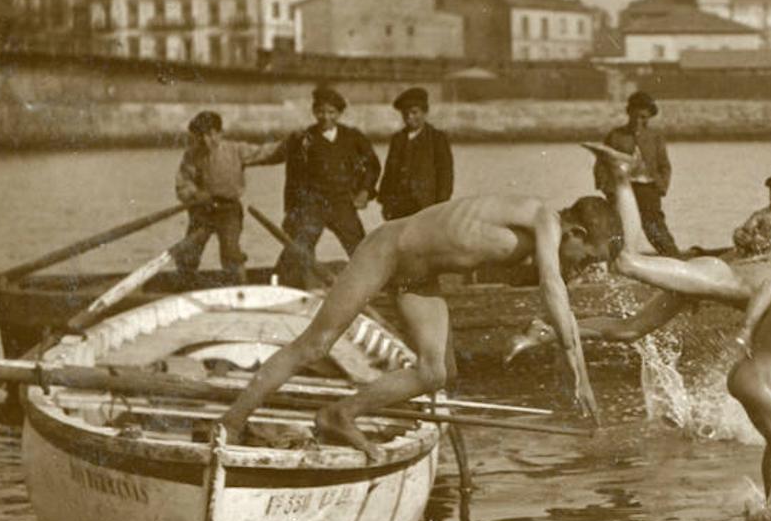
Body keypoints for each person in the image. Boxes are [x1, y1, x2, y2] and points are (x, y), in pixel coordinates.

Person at [517, 144, 771, 509]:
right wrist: (746, 329)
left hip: (712, 284)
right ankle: (622, 178)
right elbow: (770, 289)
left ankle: (548, 329)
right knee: (624, 262)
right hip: (712, 278)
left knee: (631, 329)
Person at [218, 193, 623, 458]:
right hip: (388, 250)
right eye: (586, 256)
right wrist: (580, 376)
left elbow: (542, 288)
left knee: (436, 373)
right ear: (576, 232)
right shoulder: (543, 221)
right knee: (316, 345)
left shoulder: (536, 238)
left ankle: (338, 415)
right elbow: (552, 289)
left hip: (419, 279)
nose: (582, 266)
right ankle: (230, 424)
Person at [273, 86, 382, 288]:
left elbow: (372, 166)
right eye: (321, 111)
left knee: (359, 246)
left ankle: (373, 287)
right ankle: (282, 286)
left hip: (342, 203)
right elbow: (293, 178)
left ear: (339, 114)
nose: (325, 117)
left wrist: (365, 191)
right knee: (299, 246)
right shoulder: (304, 139)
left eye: (331, 112)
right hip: (313, 205)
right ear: (314, 112)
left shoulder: (353, 137)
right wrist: (291, 211)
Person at [173, 110, 285, 282]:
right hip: (201, 211)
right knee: (189, 251)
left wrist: (292, 144)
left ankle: (240, 285)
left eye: (210, 135)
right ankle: (185, 284)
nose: (205, 140)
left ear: (220, 133)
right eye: (200, 136)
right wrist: (195, 194)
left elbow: (266, 152)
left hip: (229, 211)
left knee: (231, 251)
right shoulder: (191, 156)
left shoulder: (236, 150)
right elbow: (183, 184)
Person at [593, 91, 680, 257]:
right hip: (621, 190)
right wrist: (608, 189)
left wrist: (661, 187)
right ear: (629, 112)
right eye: (638, 116)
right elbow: (601, 164)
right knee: (617, 229)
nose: (641, 121)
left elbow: (664, 166)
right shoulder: (615, 135)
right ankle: (615, 260)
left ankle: (674, 258)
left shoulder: (656, 137)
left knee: (654, 226)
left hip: (648, 188)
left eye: (645, 118)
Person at [377, 87, 454, 221]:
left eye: (414, 112)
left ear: (425, 112)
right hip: (398, 206)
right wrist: (385, 202)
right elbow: (389, 172)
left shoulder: (437, 138)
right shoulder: (397, 139)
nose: (409, 117)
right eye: (405, 114)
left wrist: (441, 205)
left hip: (425, 205)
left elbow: (445, 174)